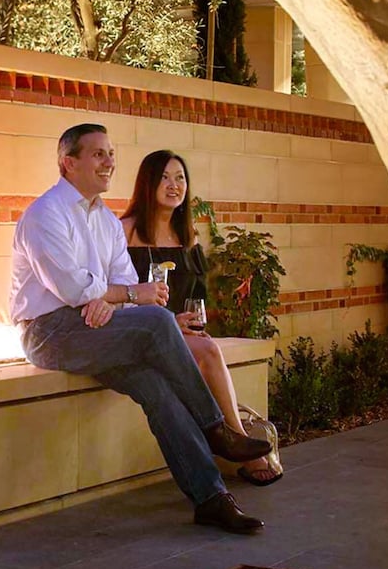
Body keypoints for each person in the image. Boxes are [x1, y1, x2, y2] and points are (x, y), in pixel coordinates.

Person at [10, 123, 271, 534]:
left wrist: (109, 298)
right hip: (50, 333)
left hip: (99, 326)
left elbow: (120, 281)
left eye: (111, 153)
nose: (109, 162)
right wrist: (120, 295)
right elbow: (75, 288)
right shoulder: (45, 214)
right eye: (98, 154)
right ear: (68, 163)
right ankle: (215, 428)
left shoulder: (106, 222)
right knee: (158, 320)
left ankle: (211, 498)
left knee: (156, 387)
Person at [121, 149, 283, 487]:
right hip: (141, 330)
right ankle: (239, 444)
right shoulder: (125, 231)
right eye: (165, 177)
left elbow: (196, 294)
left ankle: (232, 440)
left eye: (180, 178)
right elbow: (117, 294)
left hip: (179, 332)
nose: (174, 185)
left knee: (207, 347)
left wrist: (189, 322)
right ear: (147, 183)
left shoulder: (187, 235)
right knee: (209, 352)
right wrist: (169, 322)